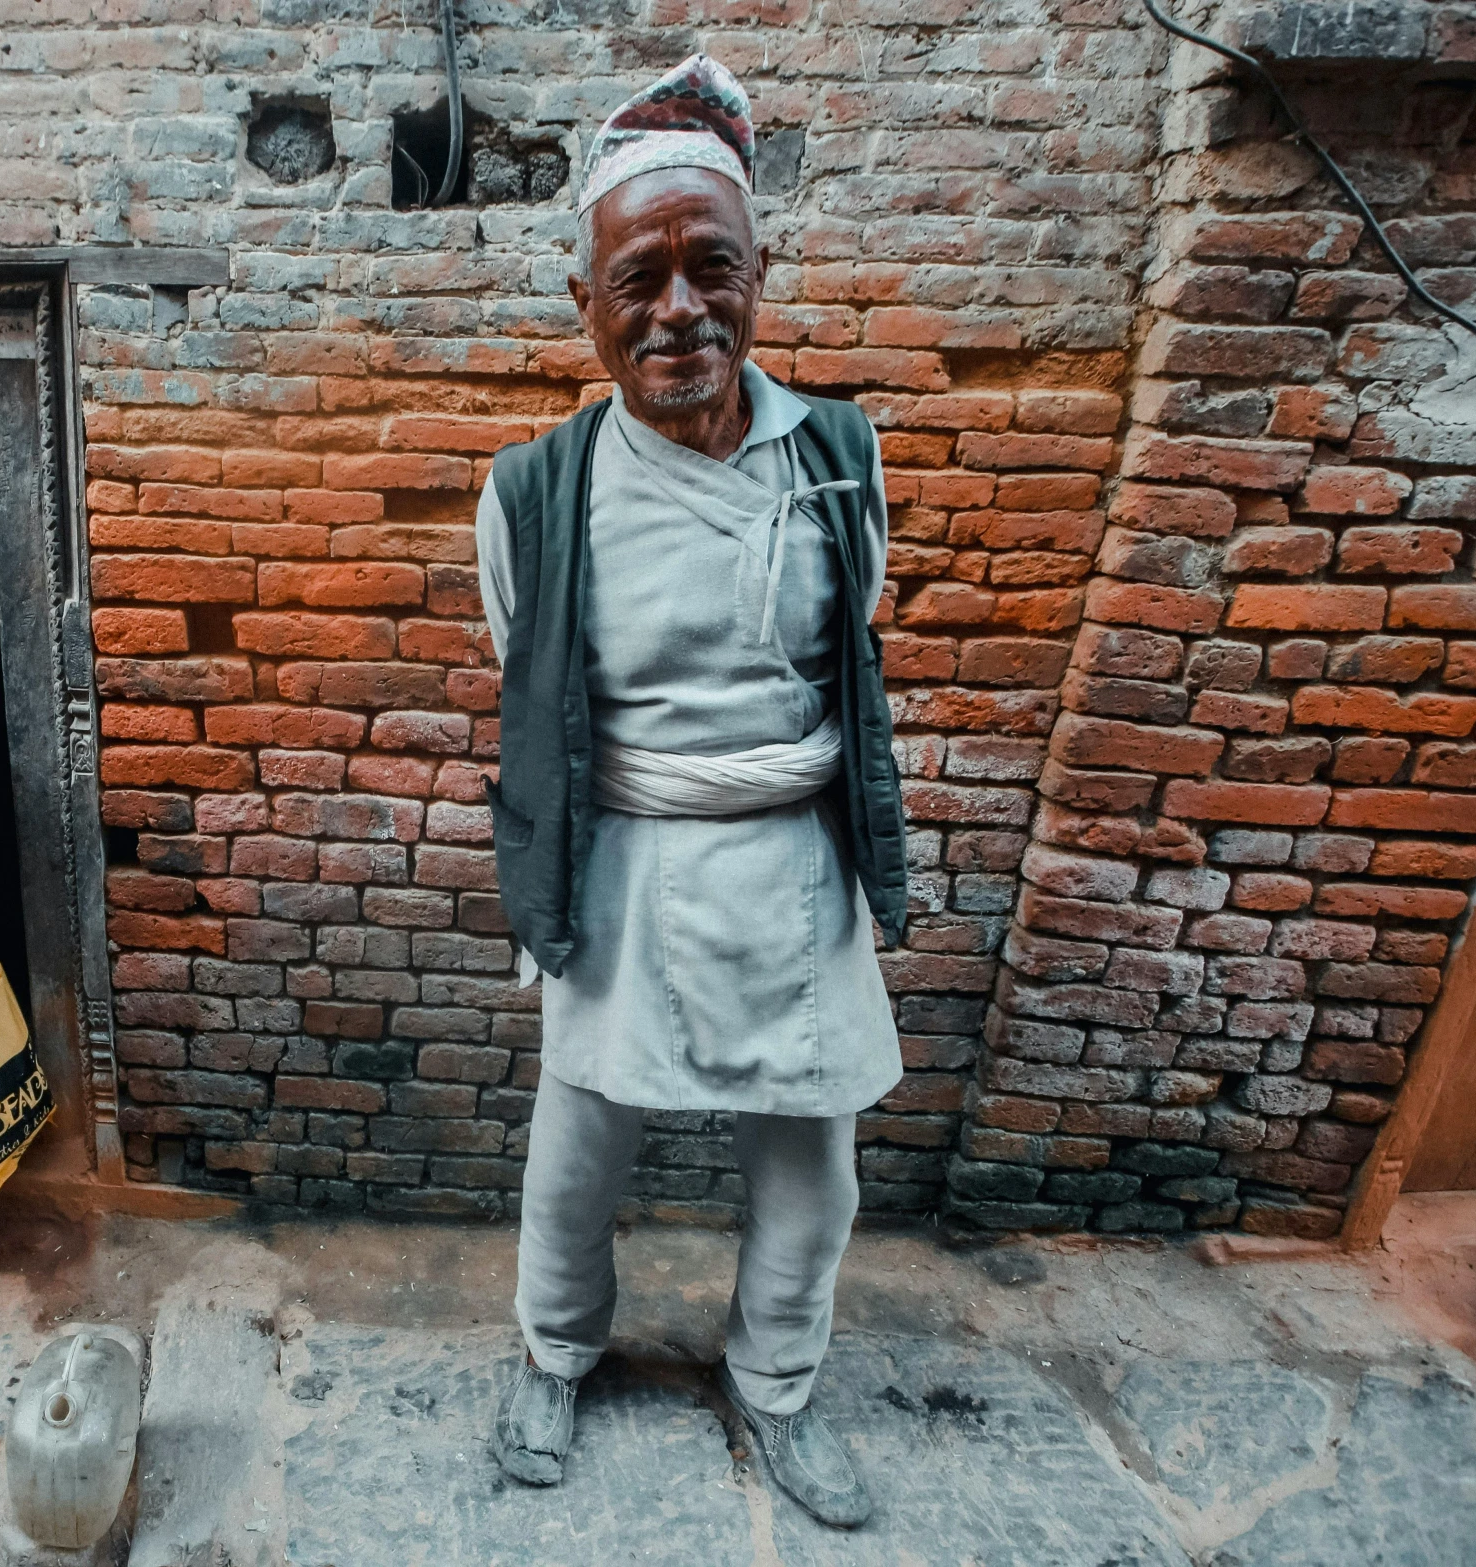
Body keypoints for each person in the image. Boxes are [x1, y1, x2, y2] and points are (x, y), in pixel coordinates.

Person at [476, 56, 909, 1527]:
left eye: (709, 267)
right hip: (627, 865)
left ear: (757, 274)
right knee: (578, 1143)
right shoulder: (532, 490)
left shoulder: (838, 458)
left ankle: (777, 1384)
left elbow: (845, 650)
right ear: (583, 303)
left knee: (812, 1160)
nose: (678, 310)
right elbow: (536, 684)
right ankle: (552, 1351)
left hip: (793, 861)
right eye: (637, 277)